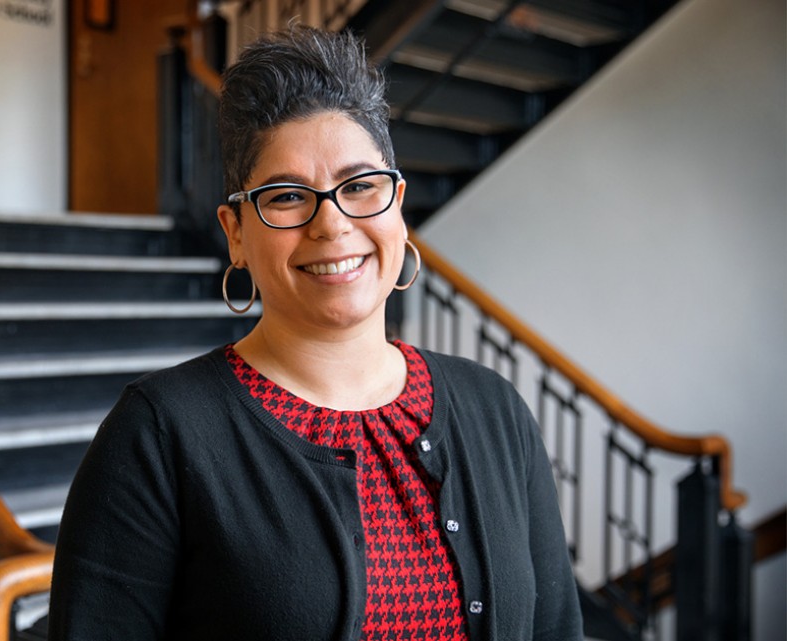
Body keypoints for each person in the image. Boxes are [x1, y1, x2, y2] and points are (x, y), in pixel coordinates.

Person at [48, 26, 582, 641]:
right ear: (237, 232)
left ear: (398, 205)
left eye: (360, 187)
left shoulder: (496, 411)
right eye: (286, 196)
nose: (331, 223)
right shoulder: (160, 434)